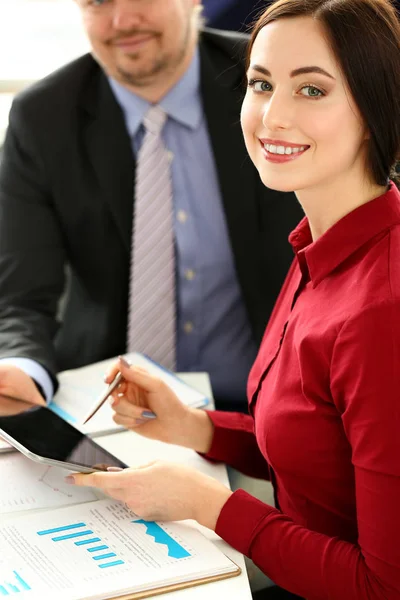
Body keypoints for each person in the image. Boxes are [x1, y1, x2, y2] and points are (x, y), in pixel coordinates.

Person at [68, 0, 400, 598]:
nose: (273, 116)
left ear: (374, 109)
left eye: (312, 90)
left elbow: (383, 584)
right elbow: (322, 454)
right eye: (261, 83)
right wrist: (194, 427)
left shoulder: (383, 308)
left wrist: (209, 505)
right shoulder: (320, 247)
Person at [0, 0, 303, 413]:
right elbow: (22, 294)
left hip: (271, 404)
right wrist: (20, 367)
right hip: (107, 412)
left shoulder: (271, 83)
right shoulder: (43, 117)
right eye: (98, 2)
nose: (123, 21)